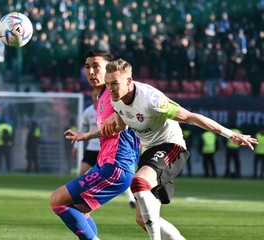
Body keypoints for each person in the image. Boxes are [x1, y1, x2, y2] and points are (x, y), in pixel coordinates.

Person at [70, 58, 257, 240]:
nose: (110, 89)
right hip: (149, 151)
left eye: (115, 84)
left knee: (138, 182)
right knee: (143, 219)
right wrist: (86, 136)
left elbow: (191, 117)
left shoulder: (152, 100)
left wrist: (230, 134)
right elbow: (119, 126)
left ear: (129, 81)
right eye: (108, 84)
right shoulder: (116, 99)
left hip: (171, 146)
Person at [50, 50, 140, 240]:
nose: (91, 71)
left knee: (57, 200)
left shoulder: (115, 94)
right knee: (79, 211)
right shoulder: (100, 98)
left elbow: (125, 120)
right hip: (107, 163)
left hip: (116, 166)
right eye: (87, 67)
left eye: (96, 66)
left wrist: (85, 136)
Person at [73, 89, 136, 208]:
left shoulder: (110, 108)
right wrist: (76, 145)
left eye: (97, 95)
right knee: (82, 171)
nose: (95, 97)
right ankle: (82, 195)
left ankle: (131, 199)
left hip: (106, 149)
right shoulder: (88, 112)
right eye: (93, 95)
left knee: (117, 175)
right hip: (92, 148)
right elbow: (80, 128)